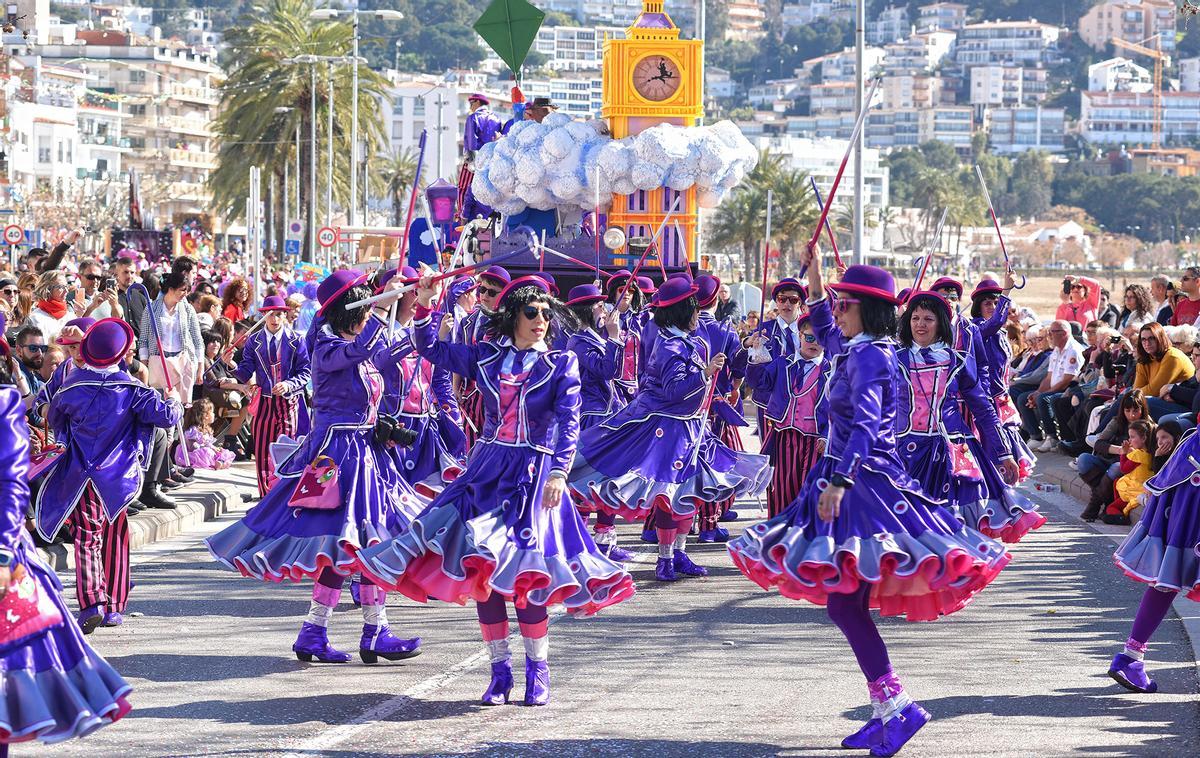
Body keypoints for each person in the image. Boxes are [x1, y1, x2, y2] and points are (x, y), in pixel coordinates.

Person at [729, 250, 1010, 757]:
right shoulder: (860, 347)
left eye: (844, 304)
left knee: (844, 601)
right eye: (836, 303)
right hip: (847, 478)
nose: (834, 313)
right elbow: (818, 318)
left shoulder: (872, 355)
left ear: (868, 309)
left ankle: (896, 707)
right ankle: (889, 709)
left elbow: (864, 426)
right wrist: (815, 275)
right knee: (844, 601)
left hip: (861, 485)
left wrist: (838, 478)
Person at [356, 275, 635, 706]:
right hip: (486, 472)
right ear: (513, 317)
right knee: (482, 574)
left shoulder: (561, 364)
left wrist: (560, 472)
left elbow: (569, 423)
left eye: (546, 313)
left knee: (527, 576)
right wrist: (427, 304)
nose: (541, 319)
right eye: (531, 312)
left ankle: (537, 672)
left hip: (533, 477)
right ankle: (499, 671)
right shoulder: (487, 357)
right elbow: (432, 349)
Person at [206, 270, 425, 665]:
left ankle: (338, 630)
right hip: (337, 456)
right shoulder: (324, 344)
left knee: (361, 544)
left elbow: (391, 350)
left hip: (366, 451)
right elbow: (359, 352)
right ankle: (352, 630)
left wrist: (422, 313)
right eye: (361, 304)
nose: (365, 312)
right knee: (350, 542)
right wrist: (381, 305)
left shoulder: (351, 343)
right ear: (346, 310)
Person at [568, 276, 771, 582]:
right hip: (665, 429)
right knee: (668, 494)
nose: (697, 314)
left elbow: (718, 351)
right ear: (680, 313)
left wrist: (740, 349)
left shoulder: (687, 338)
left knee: (690, 493)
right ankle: (663, 559)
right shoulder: (670, 344)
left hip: (691, 429)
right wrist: (705, 372)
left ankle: (678, 553)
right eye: (692, 309)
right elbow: (677, 389)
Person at [0, 383, 135, 744]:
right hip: (94, 480)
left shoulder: (4, 402)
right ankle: (99, 601)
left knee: (109, 540)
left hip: (5, 555)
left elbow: (11, 487)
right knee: (99, 540)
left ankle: (104, 602)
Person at [35, 319, 182, 631]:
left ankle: (91, 602)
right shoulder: (134, 391)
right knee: (115, 538)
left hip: (79, 475)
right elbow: (166, 417)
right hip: (117, 478)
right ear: (120, 354)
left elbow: (52, 414)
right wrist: (175, 403)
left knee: (86, 538)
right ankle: (114, 607)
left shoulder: (71, 388)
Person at [898, 291, 1042, 543]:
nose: (920, 324)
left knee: (951, 529)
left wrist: (1003, 452)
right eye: (915, 318)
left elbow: (983, 409)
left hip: (953, 453)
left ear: (941, 323)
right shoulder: (893, 359)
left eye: (928, 319)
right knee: (907, 530)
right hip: (904, 452)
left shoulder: (958, 361)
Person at [1107, 416, 1200, 693]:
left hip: (1188, 469)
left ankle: (1130, 656)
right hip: (1191, 473)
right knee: (1170, 572)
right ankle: (1130, 657)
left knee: (1168, 574)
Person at [563, 283, 630, 560]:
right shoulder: (579, 342)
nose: (605, 309)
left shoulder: (592, 337)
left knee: (608, 481)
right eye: (600, 305)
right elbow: (607, 370)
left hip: (608, 414)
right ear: (589, 310)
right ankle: (578, 544)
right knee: (588, 483)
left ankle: (604, 543)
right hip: (593, 418)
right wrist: (614, 338)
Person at [221, 295, 310, 496]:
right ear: (264, 316)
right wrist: (231, 364)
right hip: (265, 404)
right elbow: (245, 371)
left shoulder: (297, 340)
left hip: (289, 404)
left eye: (279, 315)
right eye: (270, 314)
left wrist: (289, 384)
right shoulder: (254, 341)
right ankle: (265, 496)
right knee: (262, 450)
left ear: (285, 315)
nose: (274, 319)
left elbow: (306, 371)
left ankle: (287, 495)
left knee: (289, 448)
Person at [745, 312, 826, 518]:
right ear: (799, 335)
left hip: (816, 442)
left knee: (812, 492)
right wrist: (757, 355)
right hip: (784, 437)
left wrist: (827, 434)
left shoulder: (830, 370)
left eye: (820, 338)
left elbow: (837, 408)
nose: (814, 343)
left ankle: (807, 540)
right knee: (781, 490)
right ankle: (780, 538)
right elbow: (758, 383)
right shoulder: (782, 363)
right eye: (809, 337)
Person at [694, 274, 750, 538]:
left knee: (681, 461)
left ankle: (655, 525)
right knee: (714, 463)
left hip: (681, 406)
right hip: (715, 406)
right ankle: (708, 524)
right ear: (716, 300)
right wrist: (736, 387)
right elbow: (739, 365)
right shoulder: (724, 330)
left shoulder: (679, 328)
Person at [970, 277, 1037, 478]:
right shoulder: (977, 328)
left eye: (995, 302)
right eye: (987, 303)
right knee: (994, 452)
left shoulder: (1000, 332)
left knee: (1008, 449)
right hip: (985, 400)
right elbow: (995, 321)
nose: (992, 306)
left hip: (1002, 399)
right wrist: (1007, 289)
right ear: (977, 306)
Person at [1077, 390, 1151, 521]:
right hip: (1108, 459)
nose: (1132, 415)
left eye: (1136, 410)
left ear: (1142, 409)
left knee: (1116, 467)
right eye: (1127, 411)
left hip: (1128, 469)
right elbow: (1099, 443)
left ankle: (1094, 506)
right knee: (1083, 459)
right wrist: (1121, 450)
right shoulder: (1117, 422)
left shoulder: (1148, 426)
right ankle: (1107, 499)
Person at [140, 271, 204, 406]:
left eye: (187, 290)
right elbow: (143, 340)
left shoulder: (188, 309)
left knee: (180, 406)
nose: (186, 294)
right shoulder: (152, 308)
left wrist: (200, 367)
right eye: (182, 290)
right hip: (158, 361)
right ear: (170, 289)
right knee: (159, 404)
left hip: (182, 361)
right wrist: (145, 365)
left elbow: (197, 339)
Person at [1020, 320, 1085, 451]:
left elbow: (1067, 380)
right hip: (1054, 387)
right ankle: (1035, 436)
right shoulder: (1056, 350)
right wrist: (1038, 391)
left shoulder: (1073, 350)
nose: (1049, 335)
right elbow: (1049, 377)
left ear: (1064, 333)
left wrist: (1042, 394)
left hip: (1068, 389)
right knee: (1024, 397)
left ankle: (1052, 437)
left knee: (1043, 399)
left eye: (1052, 332)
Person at [1132, 322, 1194, 416]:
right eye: (1143, 339)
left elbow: (1155, 391)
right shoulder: (1144, 360)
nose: (1147, 343)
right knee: (1127, 401)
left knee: (1142, 401)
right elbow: (1137, 389)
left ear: (1160, 338)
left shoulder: (1172, 356)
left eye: (1152, 338)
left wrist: (1133, 395)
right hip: (1163, 402)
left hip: (1185, 407)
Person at [1101, 419, 1155, 526]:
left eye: (1132, 437)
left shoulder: (1138, 455)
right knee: (1117, 481)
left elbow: (1124, 469)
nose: (1129, 440)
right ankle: (1120, 507)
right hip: (1140, 484)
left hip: (1136, 487)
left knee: (1111, 508)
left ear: (1143, 438)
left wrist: (1123, 453)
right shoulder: (1148, 453)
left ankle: (1121, 517)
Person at [175, 397, 235, 471]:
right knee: (207, 452)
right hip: (194, 454)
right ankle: (217, 462)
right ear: (206, 416)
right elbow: (193, 445)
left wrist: (214, 448)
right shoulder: (194, 430)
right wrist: (209, 447)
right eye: (212, 412)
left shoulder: (206, 428)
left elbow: (207, 443)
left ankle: (219, 462)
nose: (214, 414)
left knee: (223, 451)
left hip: (202, 450)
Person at [24, 270, 74, 342]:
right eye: (60, 287)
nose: (66, 291)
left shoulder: (70, 316)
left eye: (66, 286)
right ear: (47, 289)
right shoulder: (35, 318)